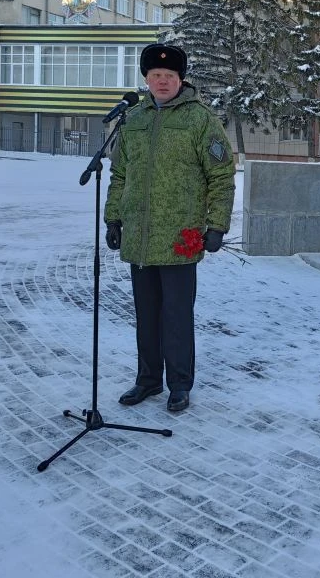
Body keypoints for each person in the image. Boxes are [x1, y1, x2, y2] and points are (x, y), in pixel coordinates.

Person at [104, 43, 235, 413]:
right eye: (155, 75)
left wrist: (217, 225)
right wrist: (113, 218)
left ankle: (179, 384)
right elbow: (119, 174)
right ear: (146, 79)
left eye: (169, 76)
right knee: (146, 315)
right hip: (141, 238)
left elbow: (222, 175)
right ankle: (147, 380)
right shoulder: (134, 119)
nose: (162, 81)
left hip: (180, 238)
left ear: (181, 80)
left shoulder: (200, 119)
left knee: (176, 317)